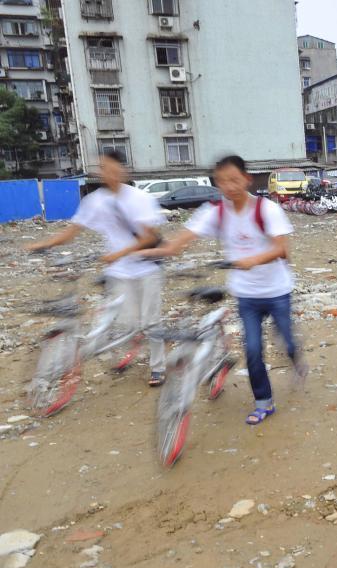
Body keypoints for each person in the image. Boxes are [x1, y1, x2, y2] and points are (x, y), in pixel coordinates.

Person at [139, 155, 303, 425]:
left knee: (288, 340)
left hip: (276, 290)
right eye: (222, 181)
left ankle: (296, 359)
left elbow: (282, 249)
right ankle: (264, 401)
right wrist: (150, 253)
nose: (228, 186)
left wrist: (252, 260)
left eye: (234, 180)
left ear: (247, 179)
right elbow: (180, 241)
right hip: (246, 295)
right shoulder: (215, 211)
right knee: (252, 349)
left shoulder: (267, 210)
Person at [27, 151, 167, 386]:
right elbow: (72, 231)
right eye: (103, 168)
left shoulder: (139, 198)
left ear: (123, 171)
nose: (107, 174)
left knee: (151, 322)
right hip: (118, 273)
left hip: (146, 268)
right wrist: (44, 244)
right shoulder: (95, 200)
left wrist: (119, 253)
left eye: (112, 169)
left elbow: (148, 237)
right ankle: (131, 347)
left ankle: (158, 367)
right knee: (127, 323)